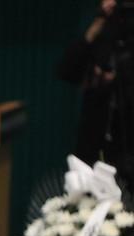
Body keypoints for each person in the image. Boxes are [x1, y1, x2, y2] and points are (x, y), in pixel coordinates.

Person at [58, 0, 130, 175]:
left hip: (126, 139)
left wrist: (120, 74)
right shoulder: (101, 33)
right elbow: (67, 71)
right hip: (94, 136)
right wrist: (96, 26)